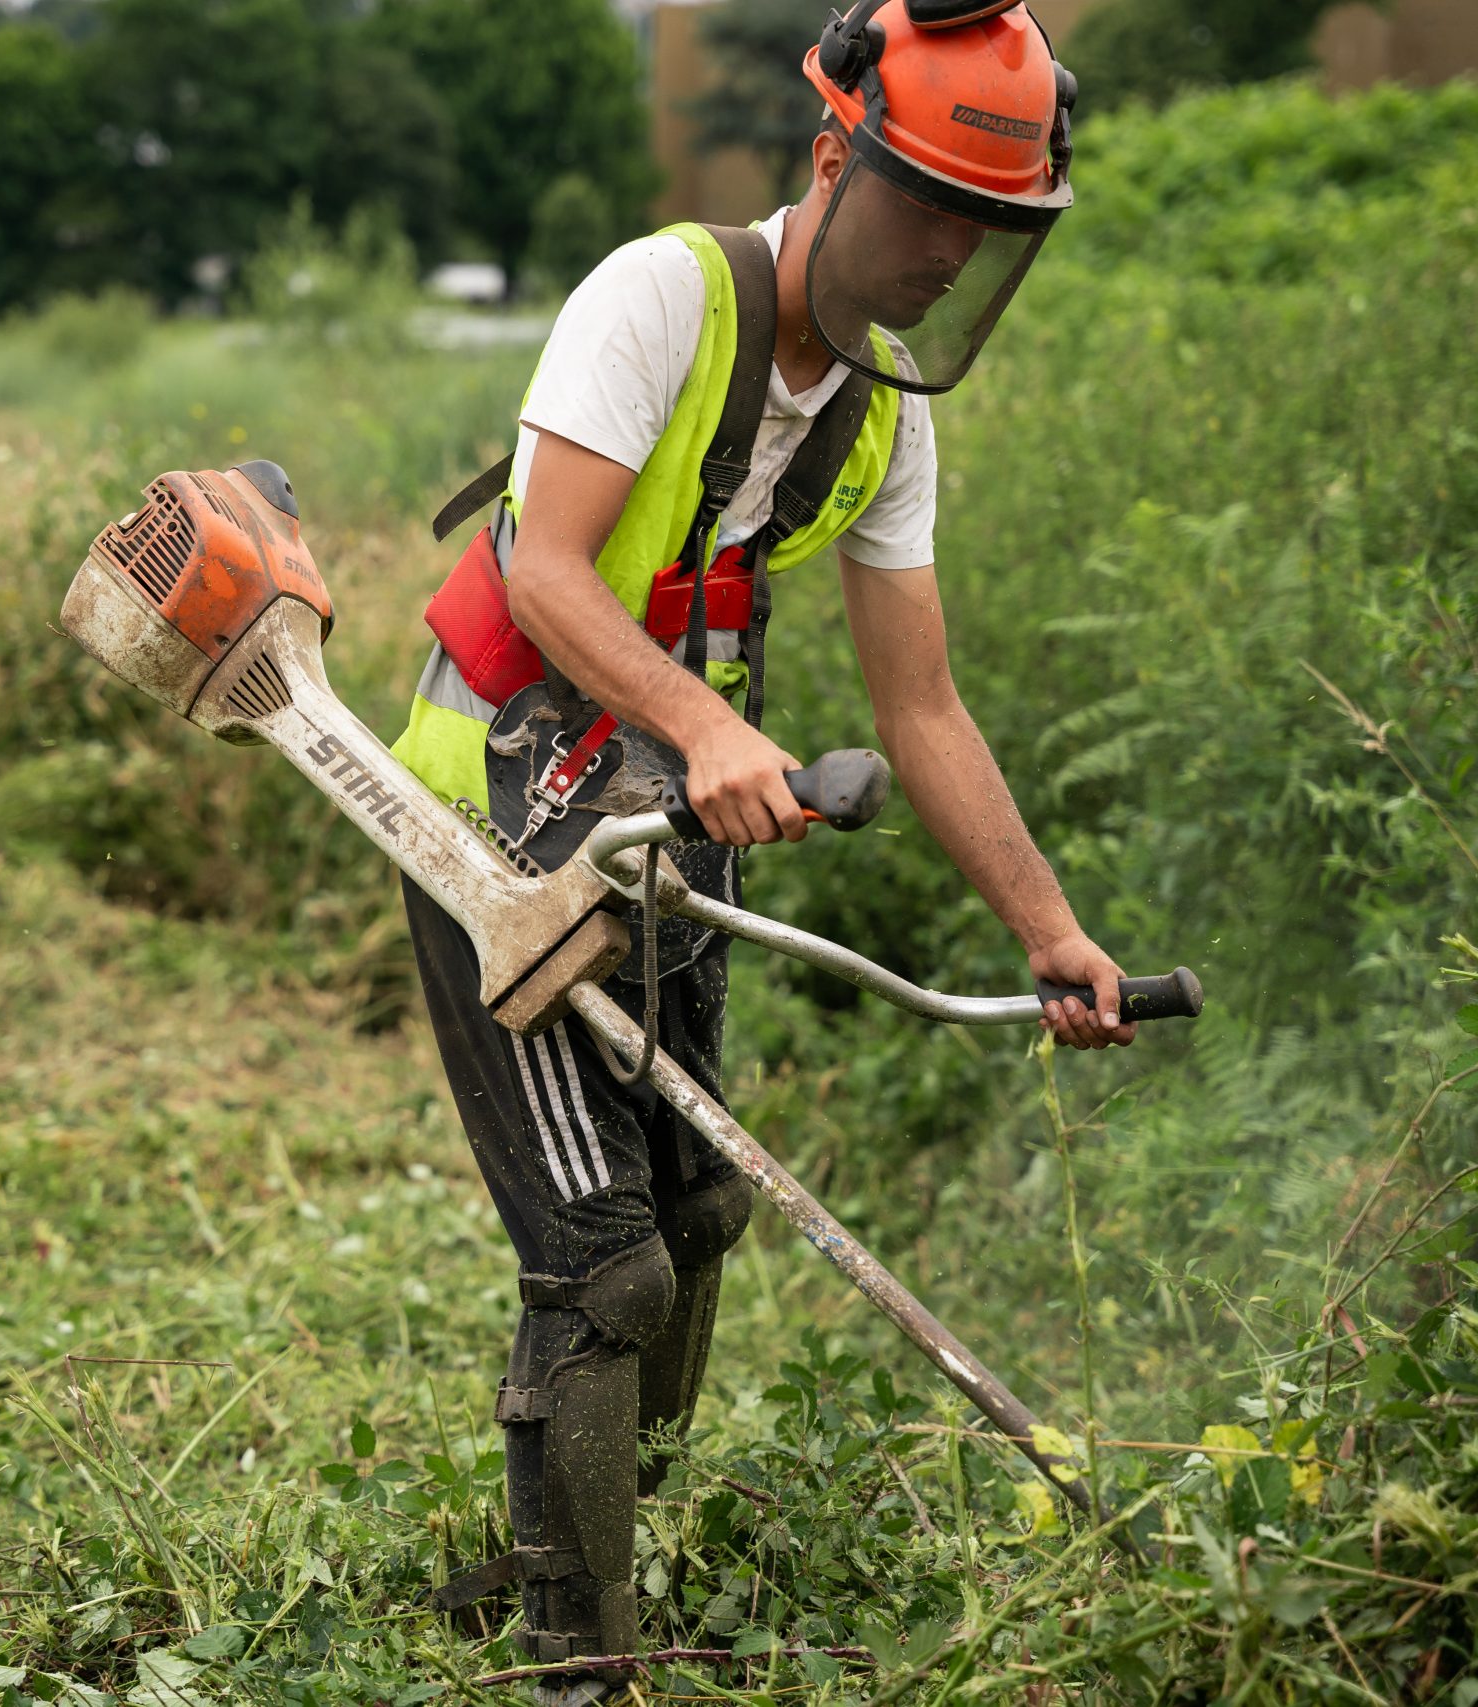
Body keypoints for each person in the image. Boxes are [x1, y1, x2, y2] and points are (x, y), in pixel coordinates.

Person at [383, 3, 1124, 1696]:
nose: (947, 255)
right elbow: (550, 570)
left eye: (987, 229)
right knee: (607, 1265)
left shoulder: (886, 417)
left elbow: (922, 707)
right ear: (832, 156)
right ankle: (576, 1666)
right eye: (928, 207)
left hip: (662, 816)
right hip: (496, 814)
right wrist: (712, 729)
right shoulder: (663, 296)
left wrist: (1050, 930)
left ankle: (601, 1556)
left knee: (700, 1205)